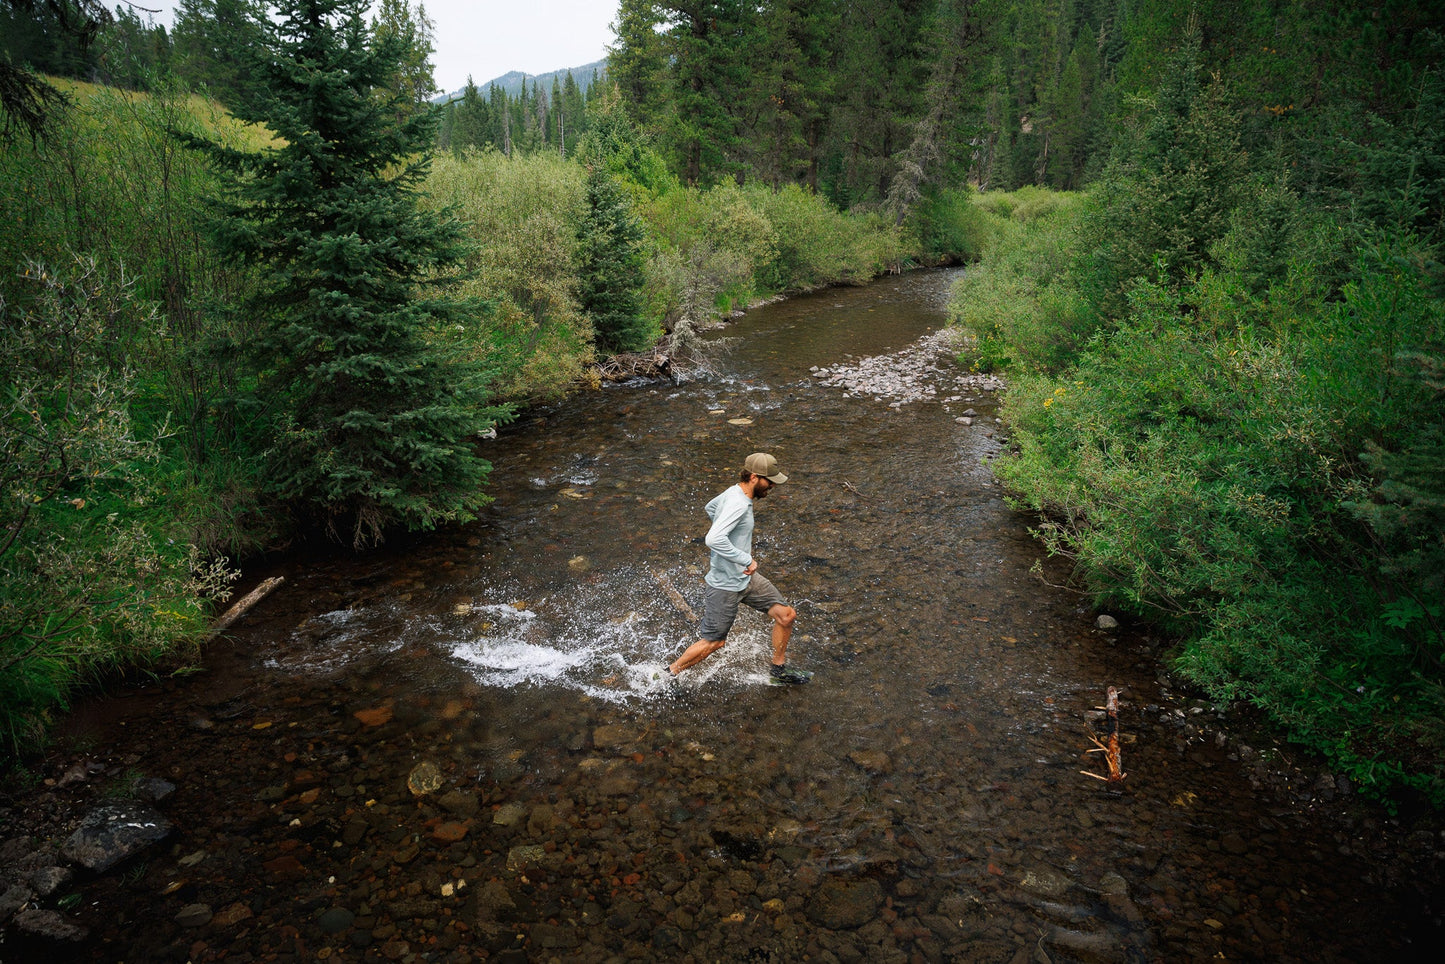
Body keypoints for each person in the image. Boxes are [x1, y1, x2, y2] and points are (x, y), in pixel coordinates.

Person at [668, 452, 812, 686]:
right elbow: (713, 539)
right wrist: (744, 559)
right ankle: (667, 674)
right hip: (725, 584)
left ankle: (778, 671)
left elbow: (710, 507)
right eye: (769, 480)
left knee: (786, 616)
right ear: (754, 477)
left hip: (745, 579)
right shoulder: (738, 503)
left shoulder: (733, 492)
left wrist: (731, 542)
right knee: (714, 642)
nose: (773, 485)